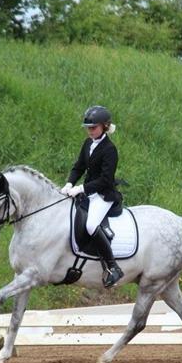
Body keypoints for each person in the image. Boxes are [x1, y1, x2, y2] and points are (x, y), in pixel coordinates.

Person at [61, 105, 124, 288]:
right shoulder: (88, 143)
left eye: (93, 128)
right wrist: (69, 183)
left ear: (104, 126)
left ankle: (113, 267)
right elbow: (79, 166)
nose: (90, 131)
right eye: (88, 128)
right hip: (87, 191)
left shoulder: (110, 150)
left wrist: (81, 189)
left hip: (103, 195)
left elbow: (105, 180)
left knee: (90, 225)